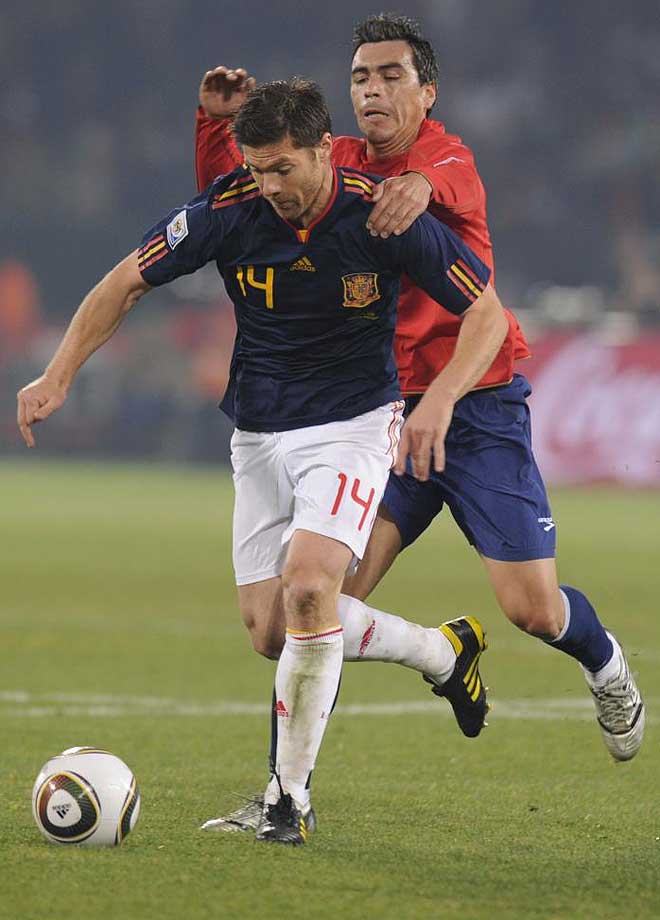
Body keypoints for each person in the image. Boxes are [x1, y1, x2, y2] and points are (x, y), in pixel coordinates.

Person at [17, 79, 506, 845]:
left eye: (283, 167)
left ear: (323, 150)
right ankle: (440, 651)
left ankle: (288, 801)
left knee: (310, 587)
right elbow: (125, 281)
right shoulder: (229, 207)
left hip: (352, 425)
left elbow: (487, 312)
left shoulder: (379, 213)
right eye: (256, 167)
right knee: (273, 631)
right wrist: (59, 374)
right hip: (257, 432)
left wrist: (440, 398)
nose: (269, 185)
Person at [193, 14, 645, 832]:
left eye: (392, 75)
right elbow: (239, 199)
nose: (373, 89)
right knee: (312, 603)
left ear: (427, 91)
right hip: (378, 414)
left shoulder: (447, 159)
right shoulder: (334, 161)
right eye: (361, 77)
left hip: (473, 409)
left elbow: (435, 182)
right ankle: (288, 793)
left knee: (533, 609)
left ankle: (605, 662)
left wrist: (420, 187)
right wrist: (215, 128)